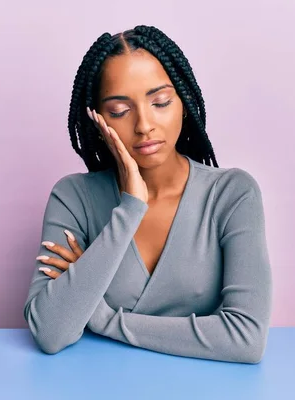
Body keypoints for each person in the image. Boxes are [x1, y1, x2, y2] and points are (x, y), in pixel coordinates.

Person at [23, 25, 272, 363]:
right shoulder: (73, 198)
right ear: (98, 121)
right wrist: (131, 208)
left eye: (160, 102)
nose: (144, 125)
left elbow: (246, 339)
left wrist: (105, 319)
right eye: (119, 111)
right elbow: (51, 333)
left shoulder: (232, 194)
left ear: (183, 103)